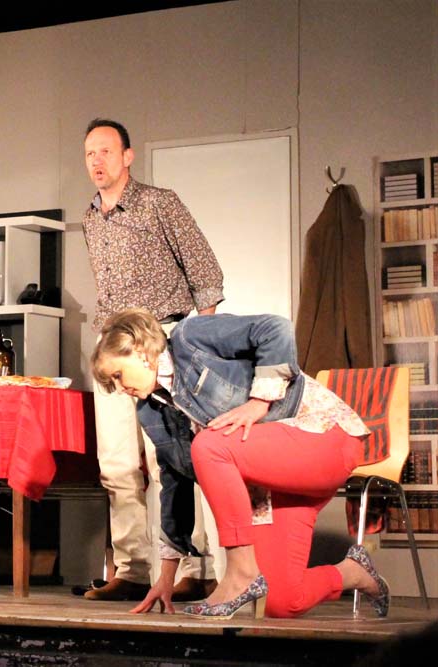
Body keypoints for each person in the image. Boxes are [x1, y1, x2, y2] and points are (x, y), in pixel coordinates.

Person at [90, 308, 390, 618]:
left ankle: (240, 572)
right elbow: (175, 486)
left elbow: (275, 328)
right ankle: (354, 572)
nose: (120, 389)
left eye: (118, 375)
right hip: (275, 481)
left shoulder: (189, 339)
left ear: (141, 352)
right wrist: (166, 578)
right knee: (281, 602)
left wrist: (259, 402)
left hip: (322, 437)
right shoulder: (152, 409)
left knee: (209, 445)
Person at [81, 118, 225, 602]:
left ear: (128, 156)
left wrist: (198, 342)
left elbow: (204, 270)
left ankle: (196, 566)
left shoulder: (160, 203)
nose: (97, 161)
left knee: (172, 461)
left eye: (106, 151)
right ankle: (133, 568)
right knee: (117, 465)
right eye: (90, 153)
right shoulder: (90, 218)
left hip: (161, 337)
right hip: (112, 345)